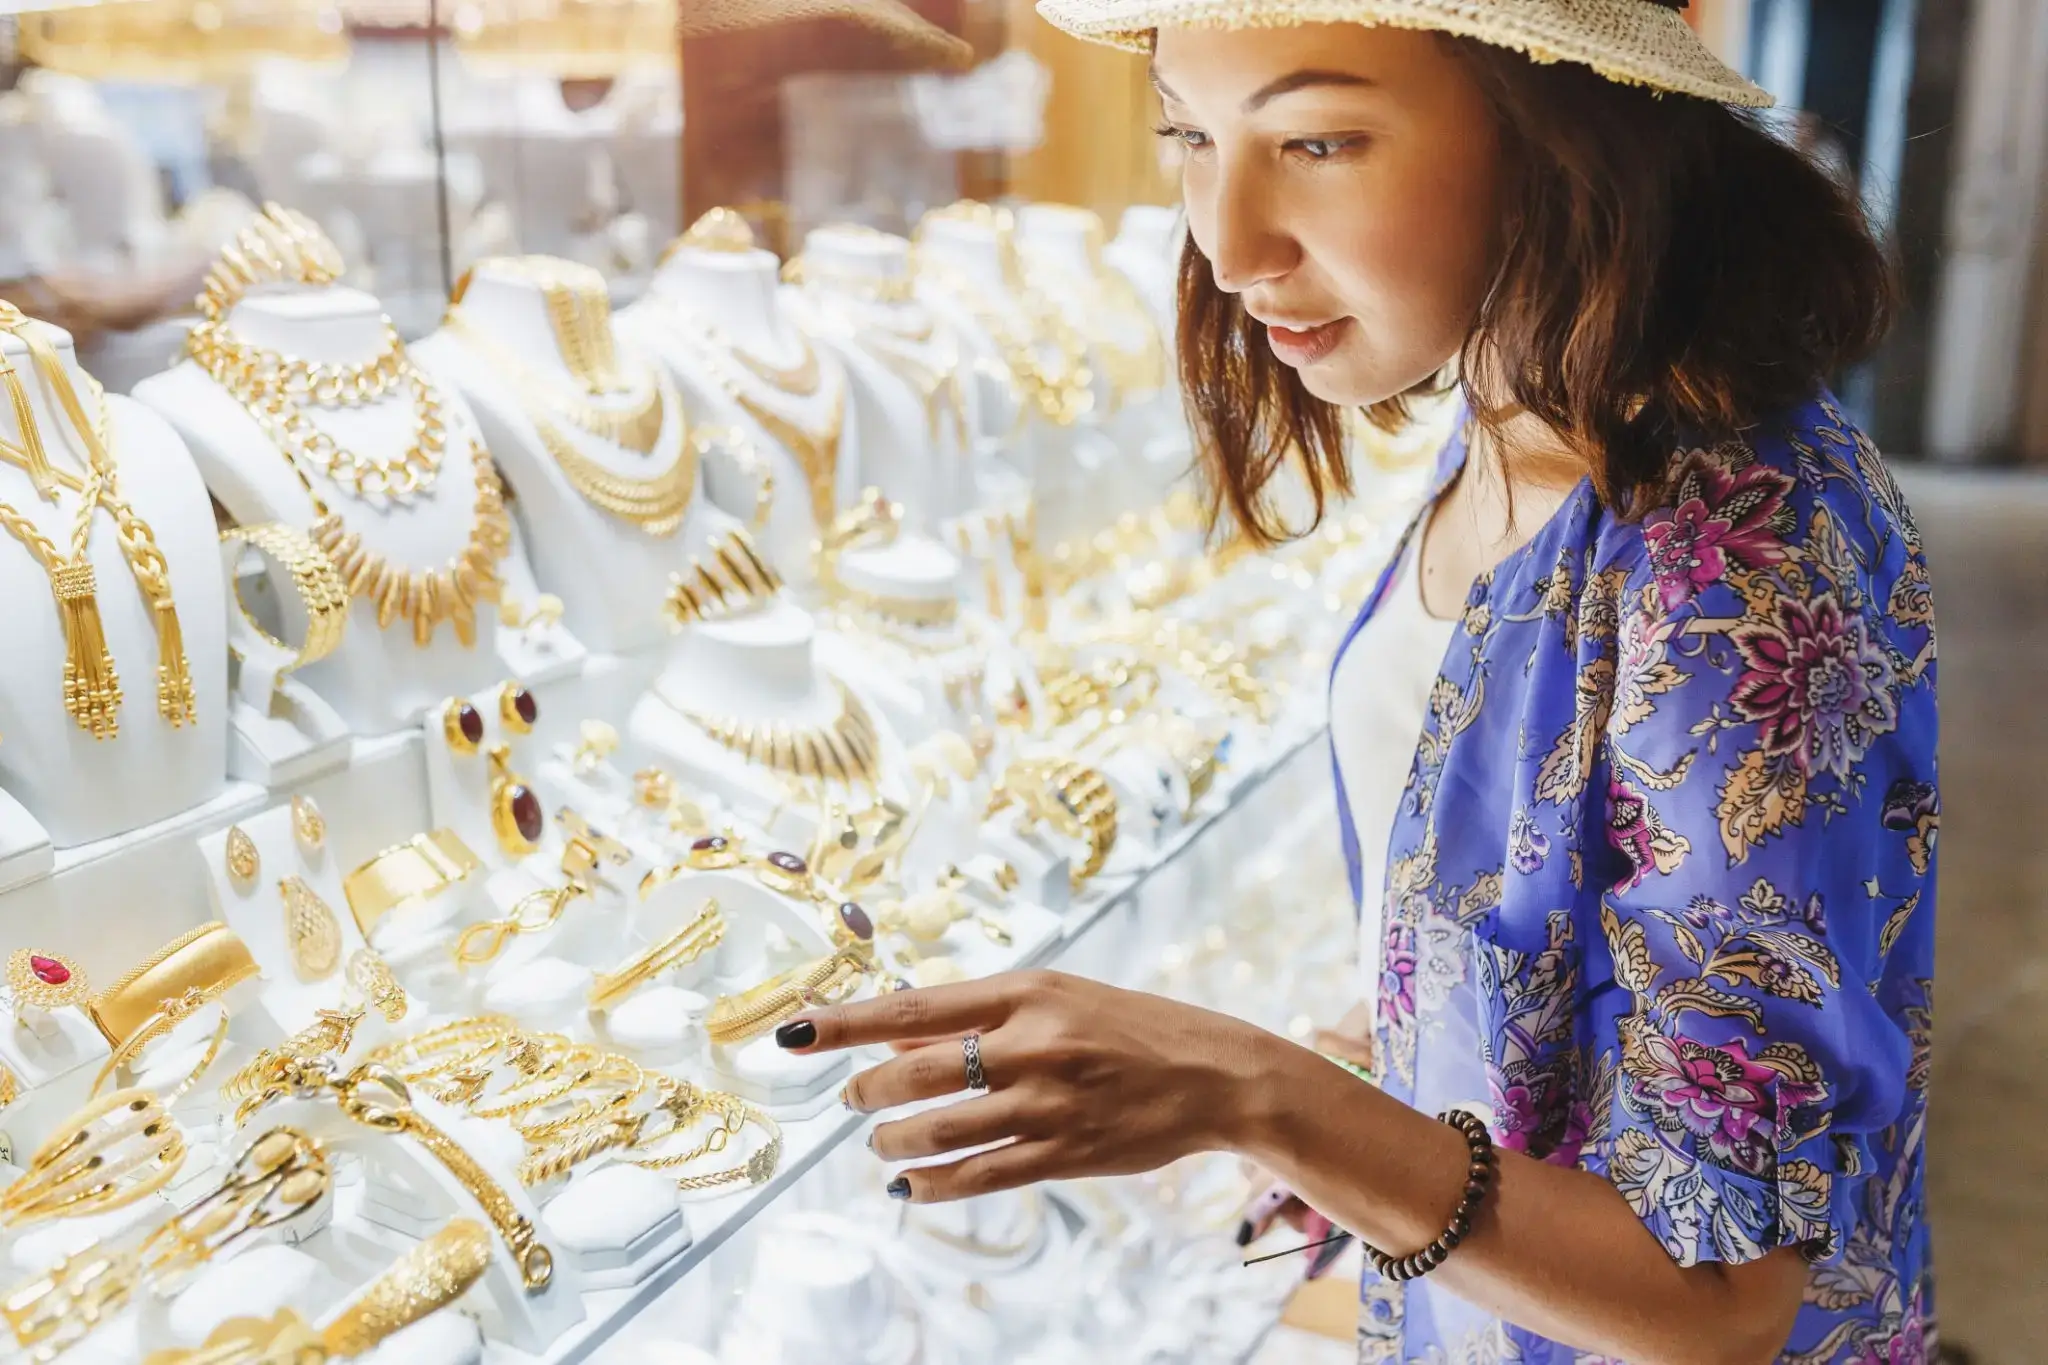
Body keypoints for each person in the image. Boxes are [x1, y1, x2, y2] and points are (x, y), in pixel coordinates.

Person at [775, 3, 1938, 1362]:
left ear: (1564, 142)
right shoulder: (1521, 408)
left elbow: (1724, 1300)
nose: (1228, 240)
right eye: (1191, 136)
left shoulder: (1730, 561)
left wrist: (1261, 1096)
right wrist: (1371, 1064)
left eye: (1319, 140)